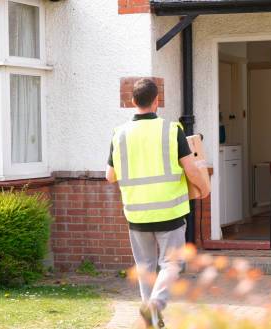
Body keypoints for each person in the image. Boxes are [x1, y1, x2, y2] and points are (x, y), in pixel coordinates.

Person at [105, 78, 208, 328]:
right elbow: (190, 168)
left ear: (133, 101)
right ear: (157, 101)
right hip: (169, 211)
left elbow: (110, 177)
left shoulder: (119, 134)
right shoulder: (172, 130)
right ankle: (155, 305)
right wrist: (203, 189)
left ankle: (150, 316)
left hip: (137, 215)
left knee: (145, 266)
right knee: (172, 263)